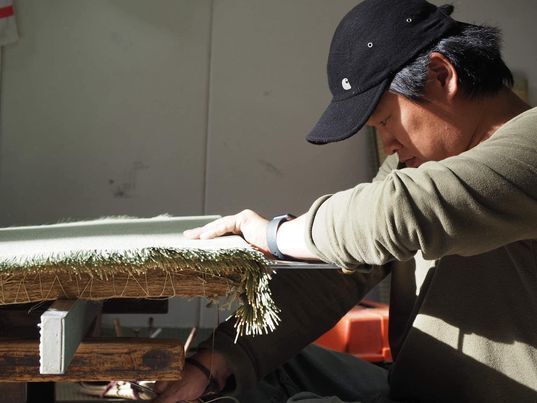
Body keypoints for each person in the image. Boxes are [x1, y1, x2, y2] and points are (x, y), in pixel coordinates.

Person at [153, 0, 537, 401]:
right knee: (254, 366)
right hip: (407, 387)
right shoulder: (412, 168)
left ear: (442, 76)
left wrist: (274, 234)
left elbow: (402, 212)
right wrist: (212, 364)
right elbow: (339, 271)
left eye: (386, 120)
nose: (388, 143)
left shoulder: (529, 142)